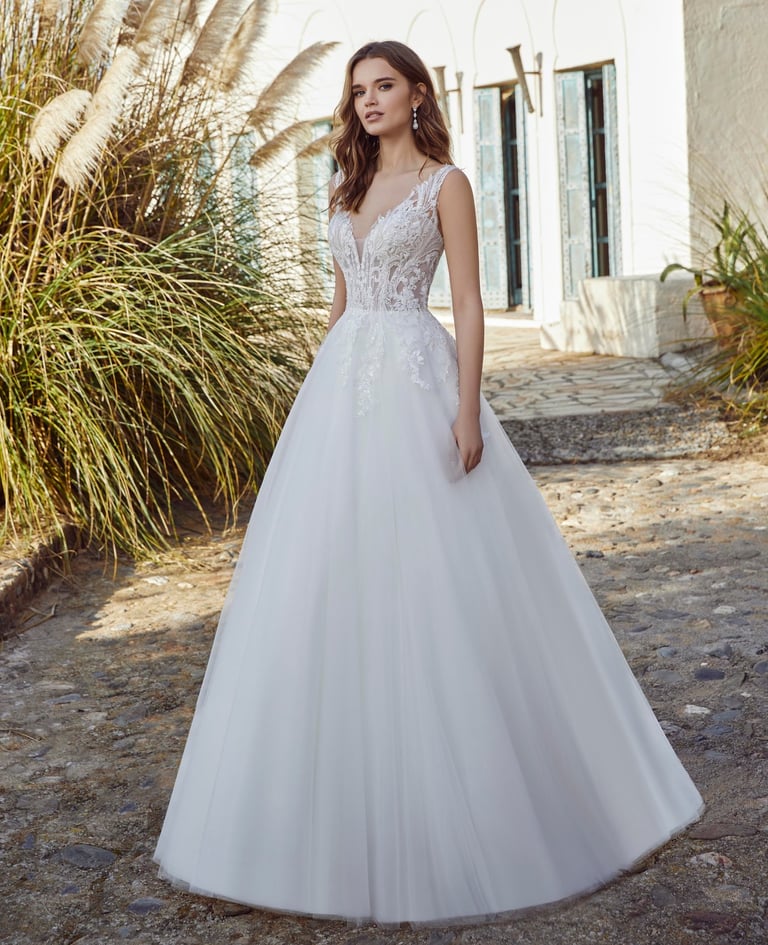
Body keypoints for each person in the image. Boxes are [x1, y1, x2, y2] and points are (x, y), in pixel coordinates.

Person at [153, 40, 703, 926]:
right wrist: (309, 401)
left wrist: (469, 407)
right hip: (341, 389)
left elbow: (473, 303)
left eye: (384, 87)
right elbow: (338, 308)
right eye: (359, 91)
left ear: (417, 95)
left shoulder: (446, 184)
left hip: (416, 377)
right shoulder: (345, 186)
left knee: (438, 579)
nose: (369, 102)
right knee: (323, 582)